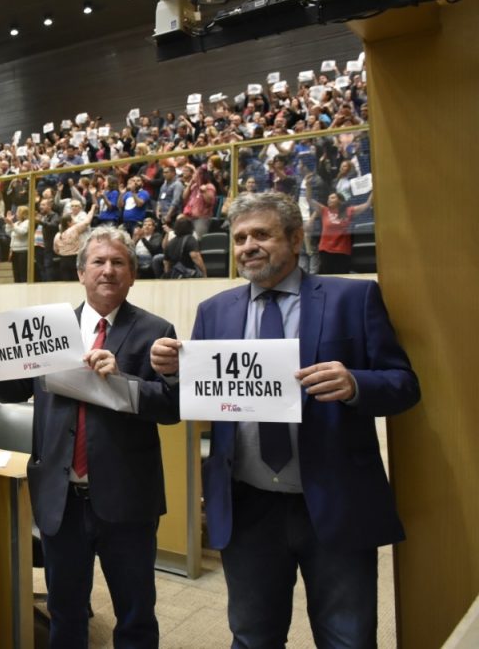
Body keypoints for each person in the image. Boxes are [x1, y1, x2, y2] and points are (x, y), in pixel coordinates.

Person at [150, 191, 420, 648]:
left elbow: (404, 384)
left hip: (333, 503)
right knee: (253, 636)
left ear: (296, 239)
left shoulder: (353, 298)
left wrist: (356, 383)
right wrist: (171, 372)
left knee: (348, 638)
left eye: (262, 234)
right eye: (239, 238)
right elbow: (197, 401)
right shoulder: (214, 312)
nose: (248, 246)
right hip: (248, 507)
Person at [0, 226, 181, 648]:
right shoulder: (49, 327)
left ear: (132, 275)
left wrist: (121, 380)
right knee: (65, 614)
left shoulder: (155, 328)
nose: (108, 270)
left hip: (127, 499)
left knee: (136, 615)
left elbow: (172, 407)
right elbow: (14, 391)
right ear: (80, 273)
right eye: (98, 262)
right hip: (61, 501)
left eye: (119, 262)